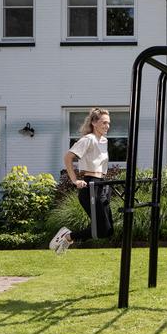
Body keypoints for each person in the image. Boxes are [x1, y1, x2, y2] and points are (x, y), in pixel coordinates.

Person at [50, 107, 114, 254]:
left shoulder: (104, 141)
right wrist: (75, 180)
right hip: (90, 185)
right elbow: (68, 157)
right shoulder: (88, 139)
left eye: (108, 123)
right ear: (94, 123)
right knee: (102, 229)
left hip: (102, 184)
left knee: (108, 230)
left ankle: (68, 237)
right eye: (104, 122)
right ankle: (67, 237)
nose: (107, 126)